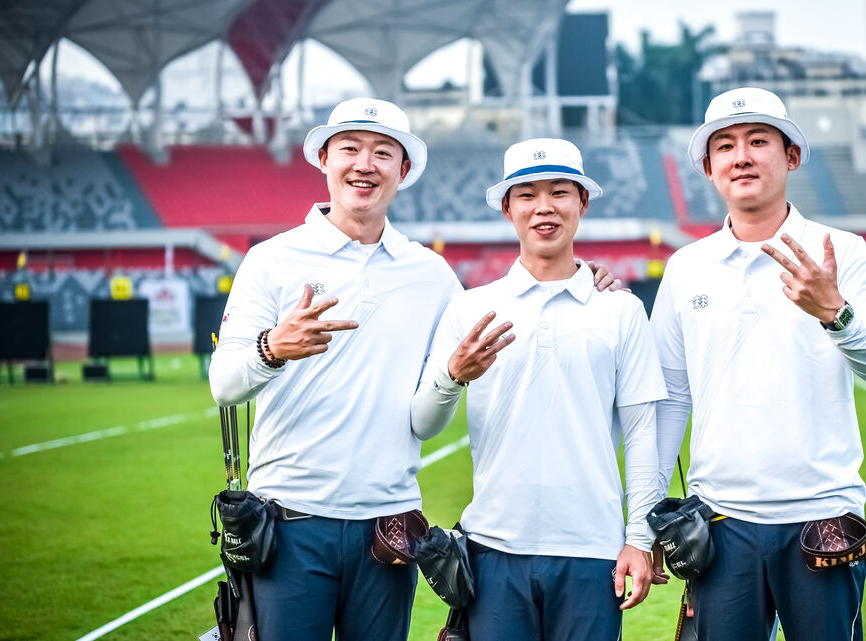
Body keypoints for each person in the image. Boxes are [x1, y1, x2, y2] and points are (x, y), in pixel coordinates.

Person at [208, 99, 621, 641]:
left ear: (403, 171)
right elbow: (224, 384)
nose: (365, 163)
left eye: (383, 152)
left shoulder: (431, 274)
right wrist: (272, 348)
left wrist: (585, 280)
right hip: (290, 521)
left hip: (389, 529)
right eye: (350, 148)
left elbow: (425, 418)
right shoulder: (271, 259)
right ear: (324, 160)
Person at [650, 87, 866, 641]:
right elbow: (669, 397)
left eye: (758, 141)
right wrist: (644, 519)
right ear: (709, 168)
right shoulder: (685, 268)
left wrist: (835, 313)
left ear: (790, 156)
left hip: (823, 515)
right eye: (725, 146)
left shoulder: (844, 251)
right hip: (719, 521)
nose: (741, 156)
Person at [410, 138, 668, 641]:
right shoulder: (470, 308)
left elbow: (641, 433)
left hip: (593, 551)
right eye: (526, 194)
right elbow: (423, 422)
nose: (544, 207)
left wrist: (638, 537)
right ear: (507, 208)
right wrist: (452, 374)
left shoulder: (621, 310)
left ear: (582, 203)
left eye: (559, 192)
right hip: (493, 549)